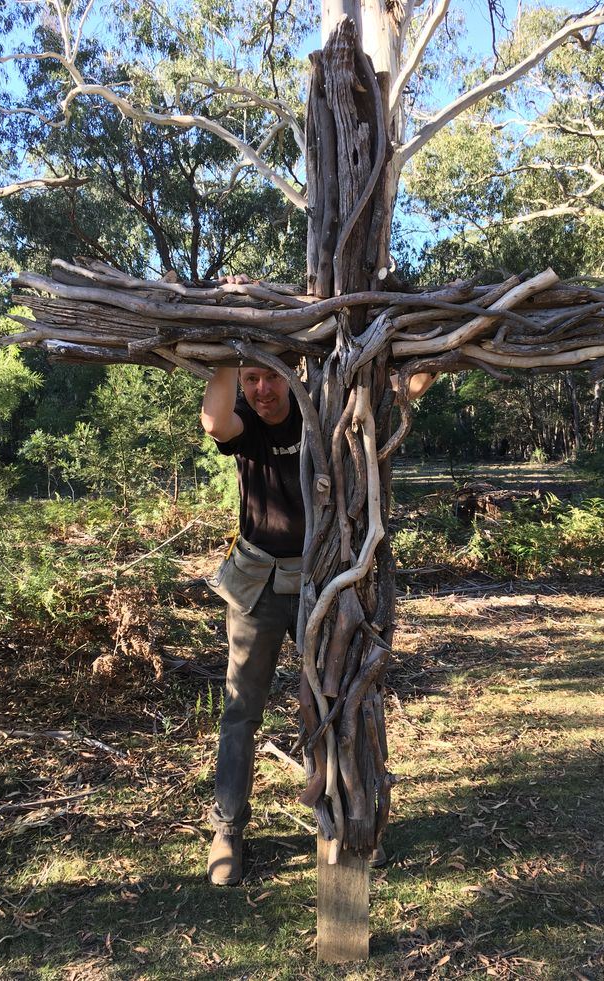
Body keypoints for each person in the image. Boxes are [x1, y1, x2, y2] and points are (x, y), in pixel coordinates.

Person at [201, 360, 436, 886]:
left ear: (295, 374)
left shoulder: (325, 412)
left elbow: (405, 388)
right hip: (258, 582)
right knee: (241, 712)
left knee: (337, 700)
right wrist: (224, 353)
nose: (263, 390)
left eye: (272, 377)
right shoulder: (245, 418)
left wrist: (443, 353)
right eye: (251, 379)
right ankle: (227, 829)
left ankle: (348, 822)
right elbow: (214, 424)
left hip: (322, 580)